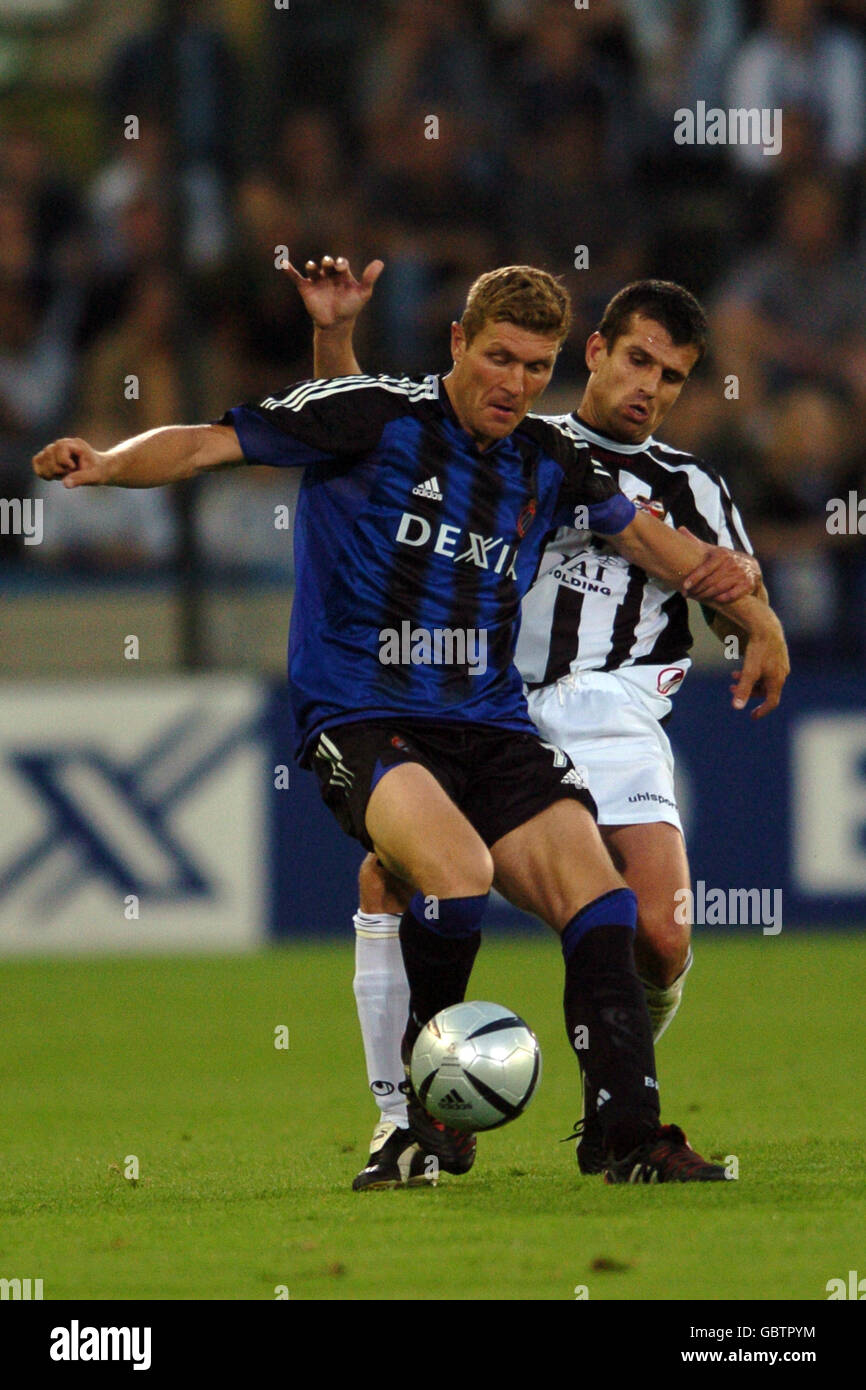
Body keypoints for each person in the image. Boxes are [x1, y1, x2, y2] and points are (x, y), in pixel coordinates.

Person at [34, 264, 788, 1190]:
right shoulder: (374, 417)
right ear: (458, 345)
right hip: (364, 718)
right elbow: (201, 447)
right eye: (499, 358)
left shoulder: (548, 461)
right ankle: (427, 1122)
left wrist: (753, 609)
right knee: (455, 874)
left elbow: (653, 542)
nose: (513, 384)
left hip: (491, 723)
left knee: (603, 905)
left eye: (533, 366)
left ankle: (625, 1136)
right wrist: (109, 464)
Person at [300, 259, 780, 1187]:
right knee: (395, 877)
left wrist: (762, 626)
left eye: (671, 375)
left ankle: (617, 1100)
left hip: (617, 716)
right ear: (592, 353)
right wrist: (332, 339)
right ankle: (404, 1118)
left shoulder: (693, 486)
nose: (648, 386)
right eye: (636, 359)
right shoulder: (517, 437)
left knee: (659, 934)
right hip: (494, 706)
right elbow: (358, 433)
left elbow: (718, 580)